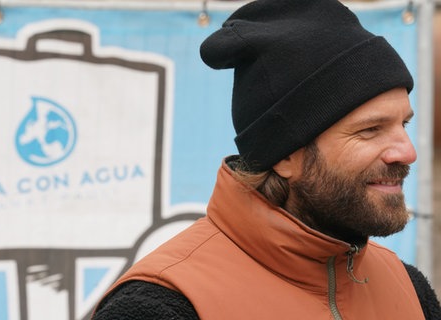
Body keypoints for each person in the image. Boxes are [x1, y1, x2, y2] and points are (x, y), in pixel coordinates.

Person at [92, 0, 441, 319]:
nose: (407, 151)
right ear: (284, 156)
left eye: (404, 123)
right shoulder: (163, 305)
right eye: (370, 130)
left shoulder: (410, 290)